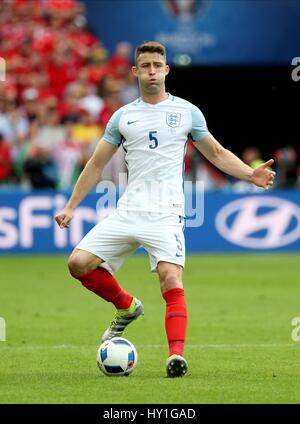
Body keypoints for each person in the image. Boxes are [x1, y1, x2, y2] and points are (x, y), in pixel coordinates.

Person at [55, 41, 276, 378]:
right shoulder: (123, 117)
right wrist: (71, 205)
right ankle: (127, 306)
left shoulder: (187, 112)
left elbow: (215, 153)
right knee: (78, 264)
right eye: (145, 66)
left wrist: (250, 174)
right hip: (128, 210)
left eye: (158, 65)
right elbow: (97, 164)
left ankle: (176, 356)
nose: (152, 71)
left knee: (171, 278)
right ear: (135, 71)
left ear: (167, 70)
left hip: (165, 214)